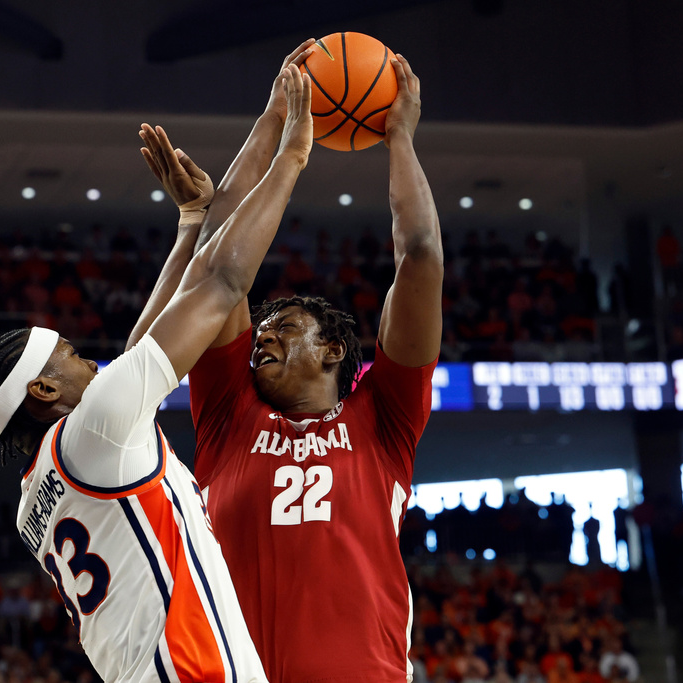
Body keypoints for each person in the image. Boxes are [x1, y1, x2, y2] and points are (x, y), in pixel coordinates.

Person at [0, 55, 315, 683]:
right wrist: (290, 153)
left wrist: (189, 224)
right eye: (71, 356)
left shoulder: (38, 493)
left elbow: (138, 349)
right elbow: (222, 280)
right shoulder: (94, 429)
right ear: (44, 389)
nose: (90, 359)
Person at [189, 53, 443, 683]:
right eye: (261, 327)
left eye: (284, 327)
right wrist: (274, 118)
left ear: (334, 350)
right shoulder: (227, 412)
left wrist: (400, 138)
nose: (262, 337)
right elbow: (219, 254)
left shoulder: (384, 419)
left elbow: (420, 254)